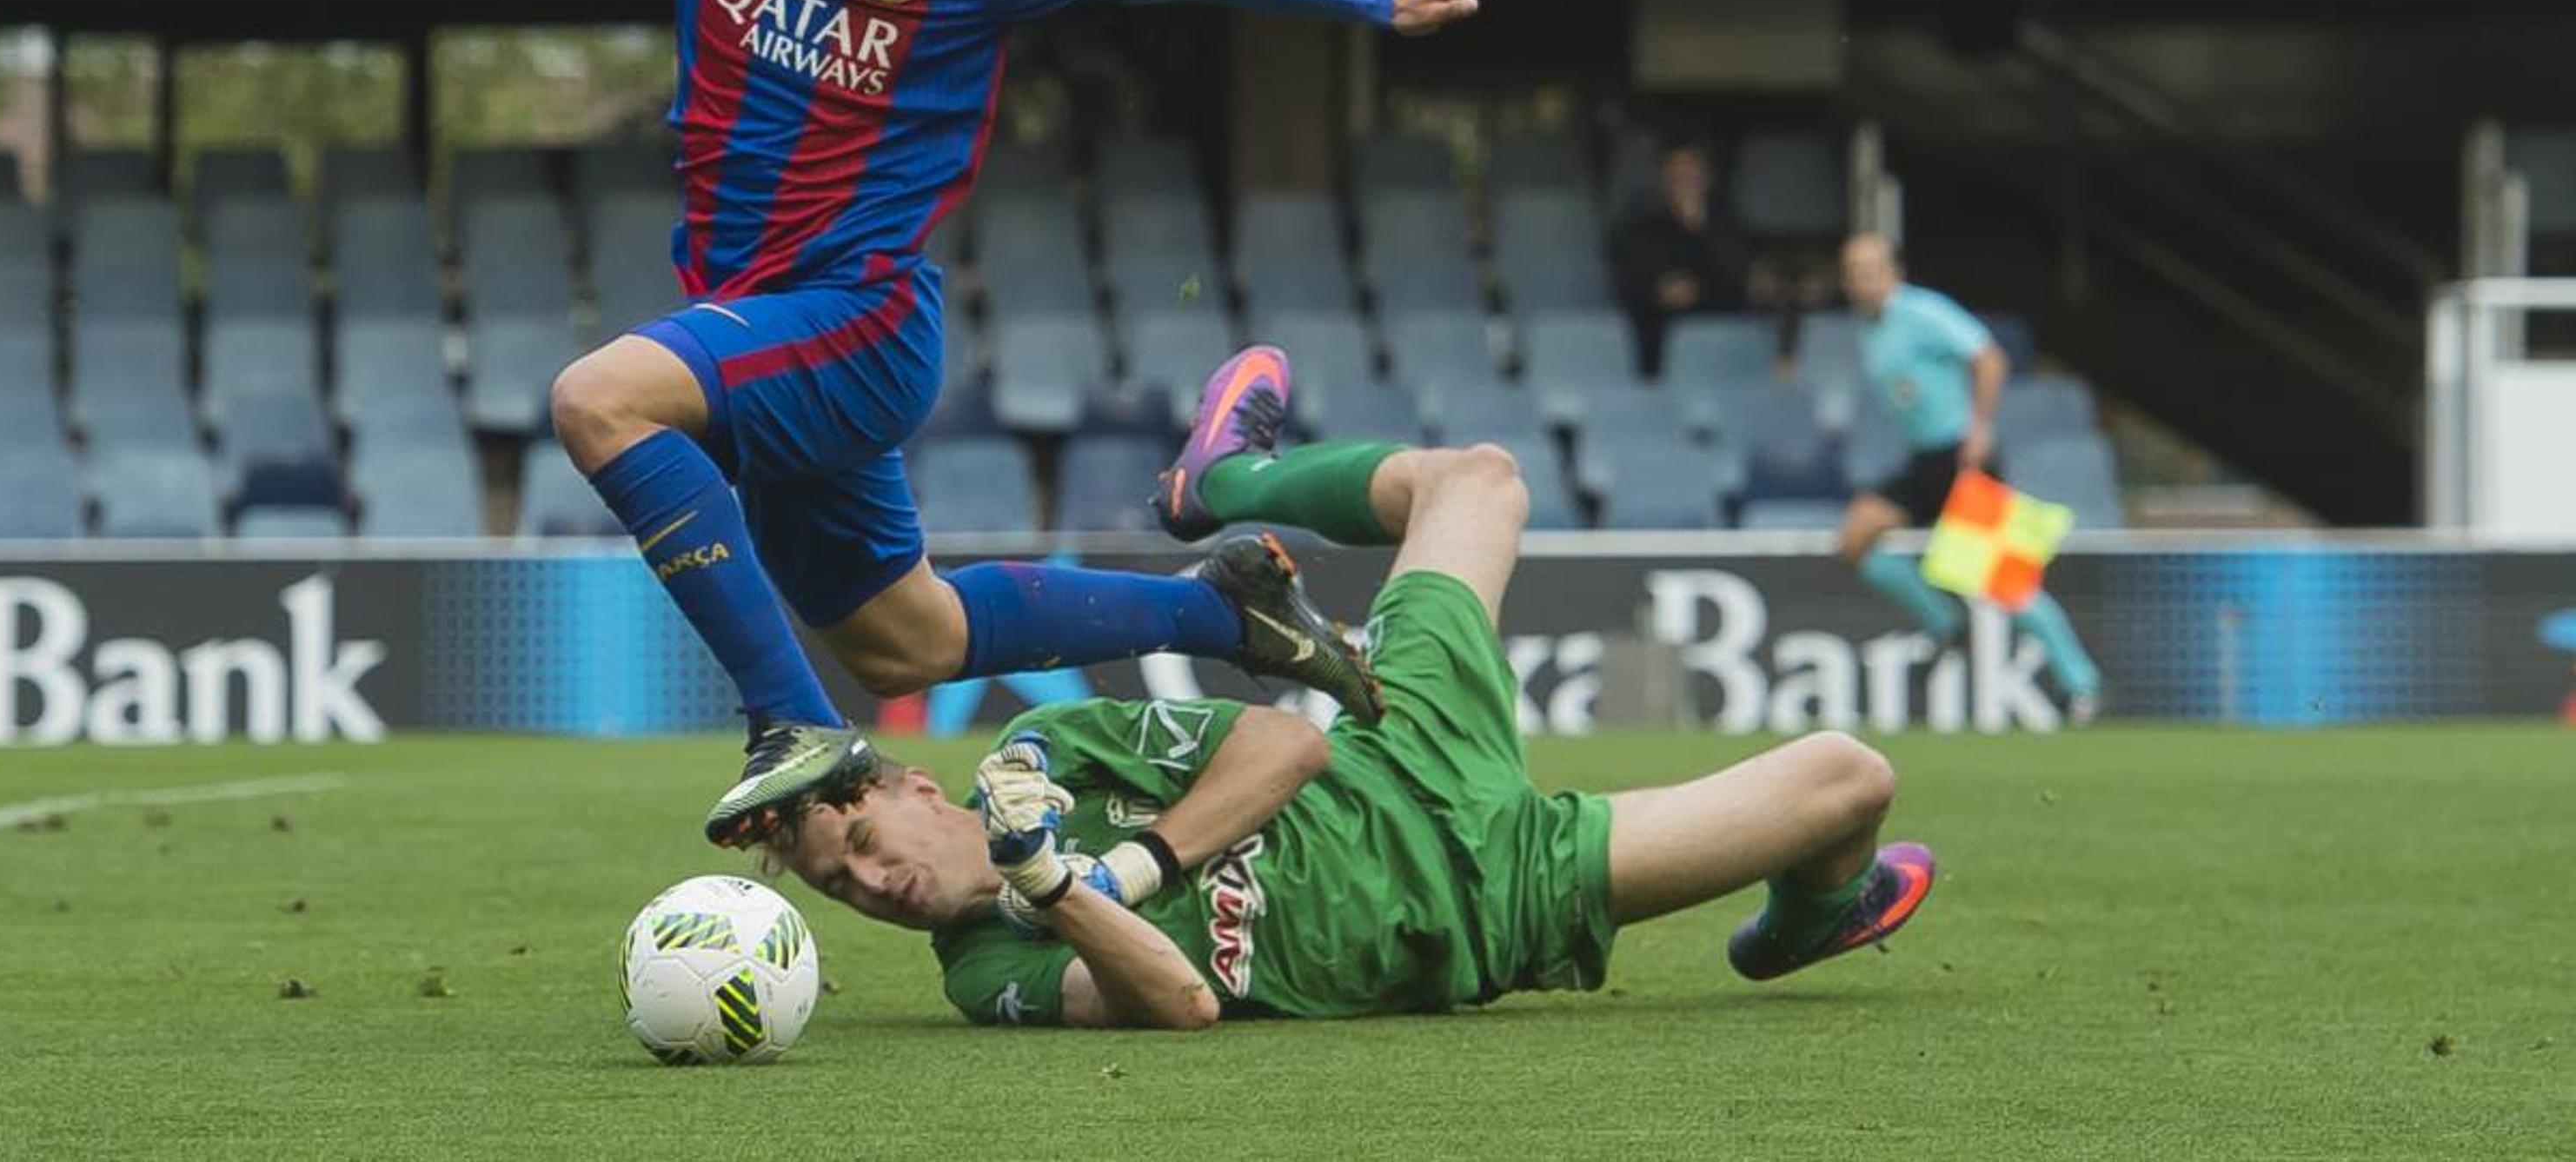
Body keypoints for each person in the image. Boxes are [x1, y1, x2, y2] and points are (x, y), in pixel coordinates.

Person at [501, 0, 1538, 848]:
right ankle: (1225, 609)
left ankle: (783, 722)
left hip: (860, 320)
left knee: (599, 400)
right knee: (906, 637)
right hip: (765, 322)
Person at [767, 347, 1937, 1028]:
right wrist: (1055, 887)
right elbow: (1181, 1006)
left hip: (1400, 749)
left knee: (1478, 478)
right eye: (846, 890)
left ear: (916, 786)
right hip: (1495, 898)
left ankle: (1228, 481)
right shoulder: (986, 972)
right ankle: (1819, 913)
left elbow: (1292, 752)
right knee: (1852, 777)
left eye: (863, 839)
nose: (877, 883)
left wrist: (1124, 864)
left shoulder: (1055, 750)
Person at [1833, 233, 2102, 717]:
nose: (1860, 279)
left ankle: (2081, 682)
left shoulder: (1921, 312)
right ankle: (1944, 625)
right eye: (1853, 270)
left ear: (1895, 272)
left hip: (1961, 456)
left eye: (1870, 268)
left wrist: (1980, 427)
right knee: (1855, 538)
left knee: (2006, 581)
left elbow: (1988, 356)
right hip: (1923, 460)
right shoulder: (1870, 329)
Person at [1610, 141, 1755, 366]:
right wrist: (1660, 293)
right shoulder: (1644, 230)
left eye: (1692, 177)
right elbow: (1640, 287)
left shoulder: (1727, 227)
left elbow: (1739, 276)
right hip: (1667, 343)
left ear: (1707, 180)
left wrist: (1700, 229)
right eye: (1677, 179)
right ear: (1664, 183)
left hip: (1726, 339)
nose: (1685, 185)